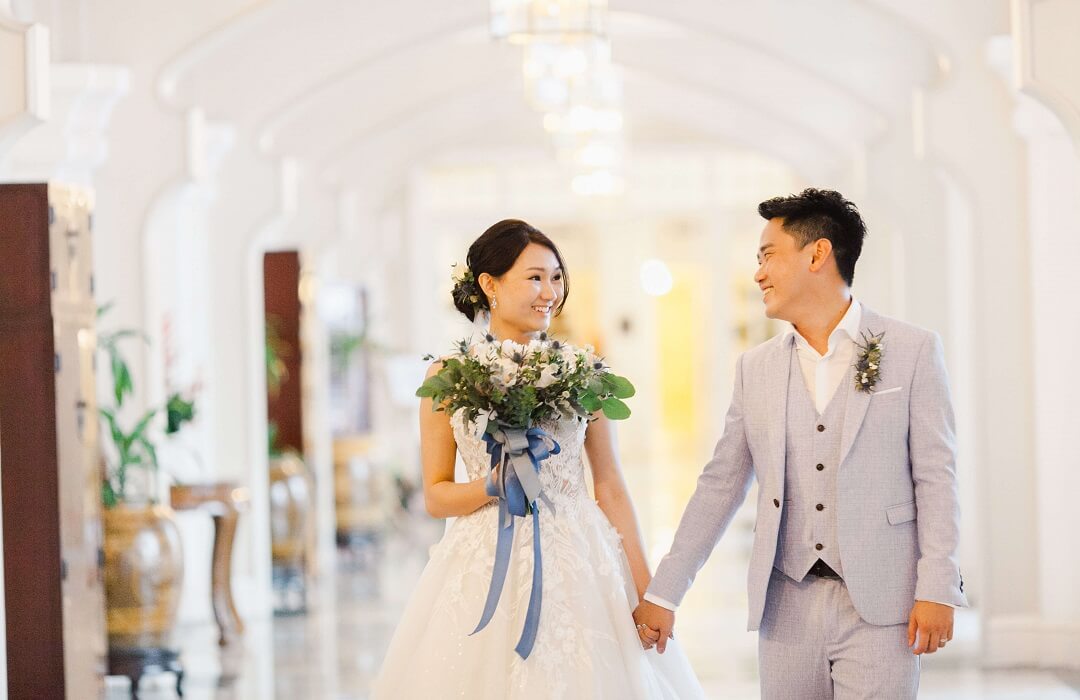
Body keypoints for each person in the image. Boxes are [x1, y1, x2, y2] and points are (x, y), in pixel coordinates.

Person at [634, 189, 967, 699]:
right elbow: (720, 485)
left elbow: (936, 477)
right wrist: (665, 591)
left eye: (768, 255)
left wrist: (937, 587)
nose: (758, 273)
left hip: (882, 603)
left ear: (817, 254)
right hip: (786, 605)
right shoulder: (756, 368)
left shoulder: (912, 350)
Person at [372, 219, 703, 699]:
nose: (549, 291)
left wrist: (647, 588)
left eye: (556, 277)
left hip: (581, 561)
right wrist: (489, 485)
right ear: (489, 285)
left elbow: (609, 486)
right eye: (534, 277)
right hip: (483, 563)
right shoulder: (447, 377)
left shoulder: (585, 372)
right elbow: (436, 496)